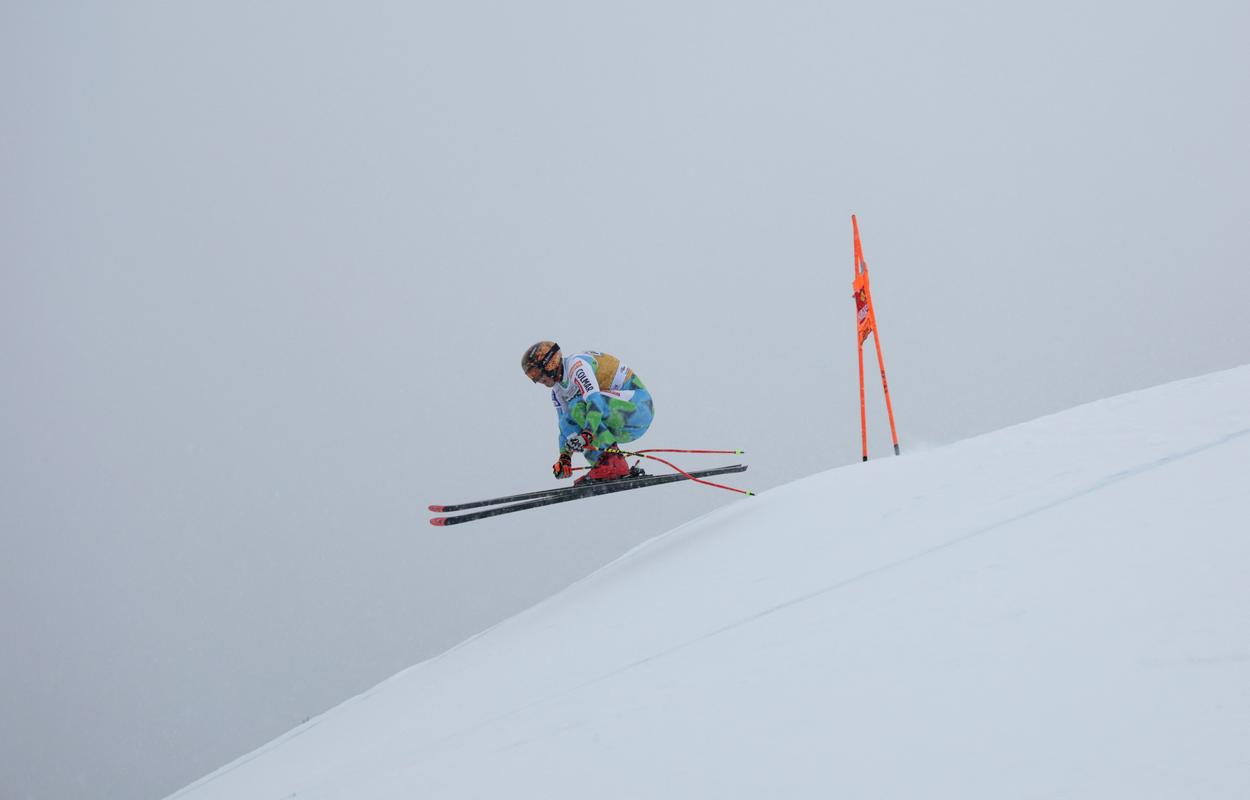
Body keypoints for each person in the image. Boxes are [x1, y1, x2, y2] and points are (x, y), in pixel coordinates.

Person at [521, 341, 655, 483]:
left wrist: (587, 434)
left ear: (549, 364)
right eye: (532, 376)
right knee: (568, 419)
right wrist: (564, 457)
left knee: (578, 406)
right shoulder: (557, 392)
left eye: (536, 373)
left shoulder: (576, 366)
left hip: (639, 409)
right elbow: (564, 427)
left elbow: (595, 400)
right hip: (619, 426)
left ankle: (612, 464)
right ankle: (604, 466)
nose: (537, 380)